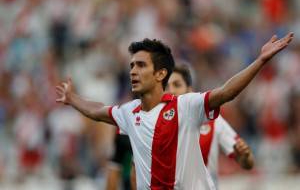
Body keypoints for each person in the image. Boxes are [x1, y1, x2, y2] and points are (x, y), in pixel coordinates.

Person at [55, 33, 293, 190]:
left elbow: (226, 92)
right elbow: (98, 110)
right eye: (131, 66)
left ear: (160, 74)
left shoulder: (185, 106)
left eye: (141, 65)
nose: (133, 72)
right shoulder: (129, 112)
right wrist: (72, 99)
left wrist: (260, 61)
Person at [167, 65, 254, 186]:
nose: (171, 91)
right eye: (166, 86)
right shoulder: (151, 123)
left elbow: (247, 163)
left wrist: (245, 156)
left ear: (190, 91)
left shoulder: (213, 122)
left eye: (177, 85)